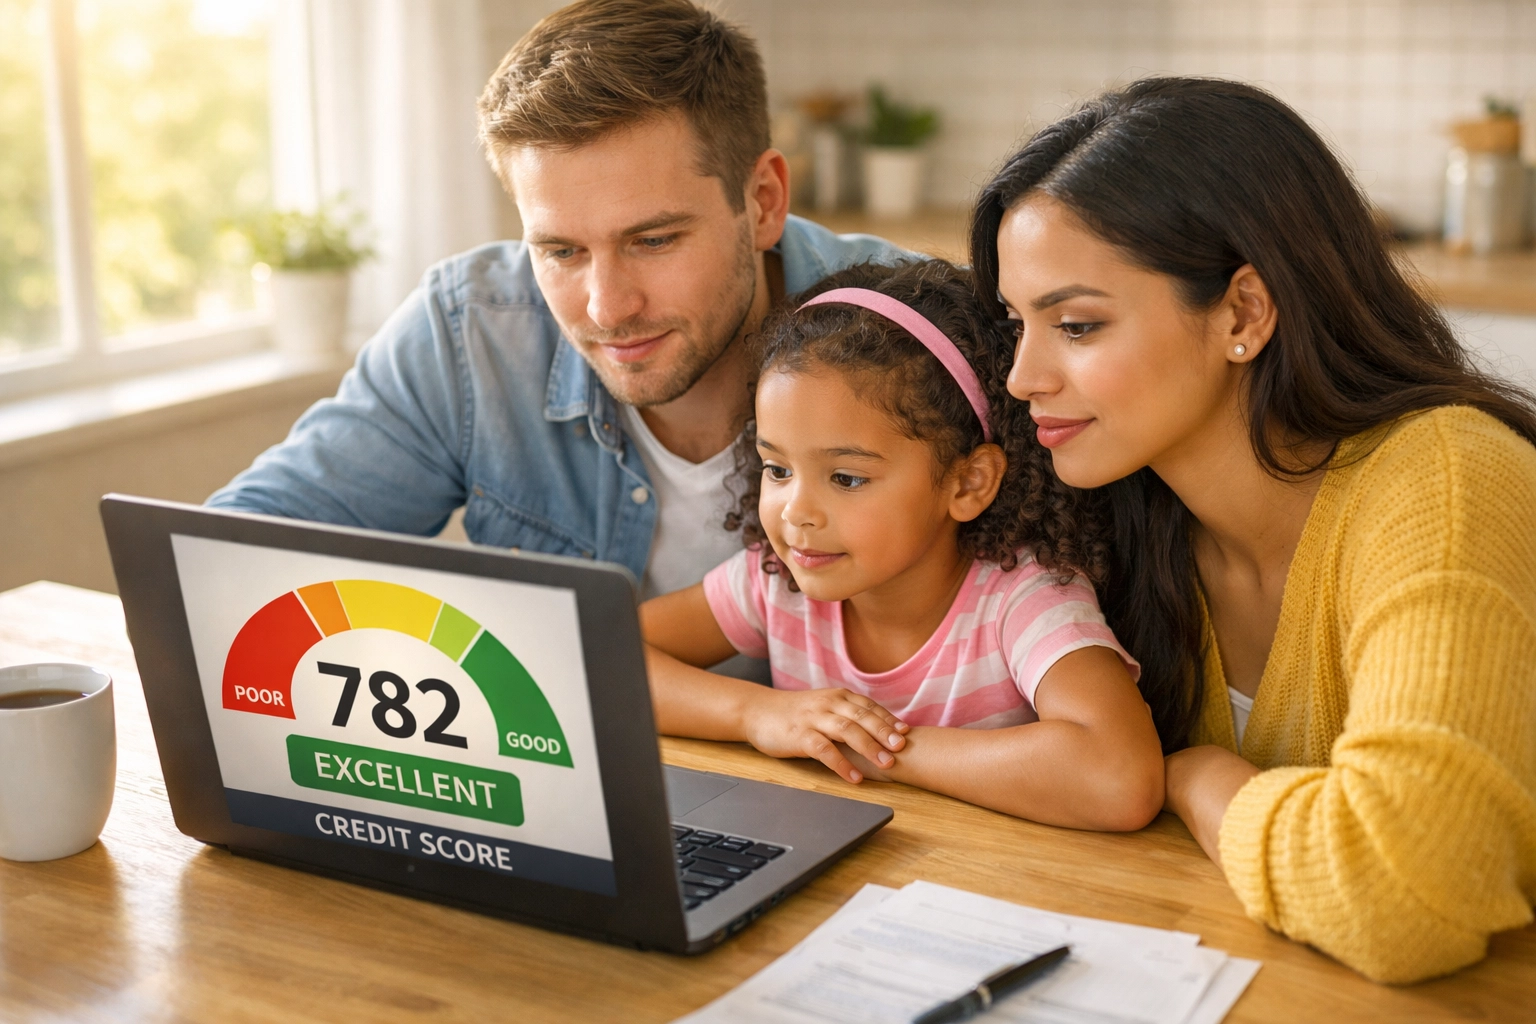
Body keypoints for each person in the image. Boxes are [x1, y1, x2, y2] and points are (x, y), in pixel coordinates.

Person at [972, 76, 1536, 982]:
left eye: (1076, 325)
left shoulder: (1448, 480)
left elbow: (1401, 890)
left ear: (1243, 312)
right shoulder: (1114, 515)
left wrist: (1193, 776)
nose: (1022, 377)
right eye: (1016, 324)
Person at [208, 0, 904, 606]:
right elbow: (226, 557)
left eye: (653, 240)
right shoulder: (472, 331)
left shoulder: (922, 334)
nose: (608, 308)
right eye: (562, 251)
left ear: (763, 203)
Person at [640, 259, 1164, 829]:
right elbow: (597, 657)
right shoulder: (776, 580)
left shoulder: (1023, 600)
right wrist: (756, 713)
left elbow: (1120, 777)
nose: (796, 512)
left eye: (846, 478)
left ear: (968, 483)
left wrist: (877, 747)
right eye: (778, 469)